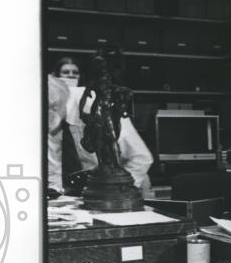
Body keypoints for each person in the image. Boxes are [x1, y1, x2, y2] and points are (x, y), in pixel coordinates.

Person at [47, 54, 154, 196]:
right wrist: (55, 193)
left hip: (126, 186)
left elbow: (141, 158)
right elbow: (54, 167)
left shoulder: (96, 108)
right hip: (88, 190)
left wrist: (117, 192)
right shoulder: (52, 120)